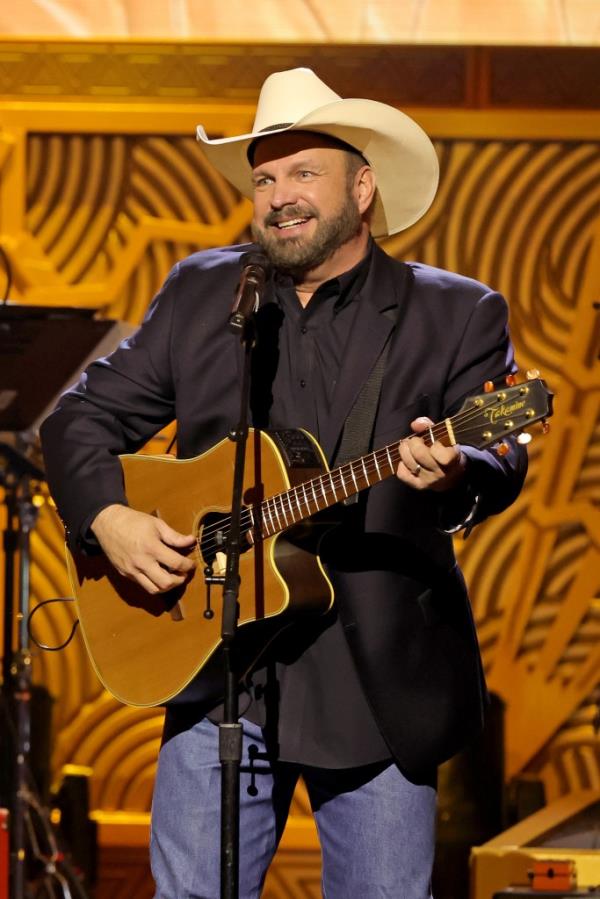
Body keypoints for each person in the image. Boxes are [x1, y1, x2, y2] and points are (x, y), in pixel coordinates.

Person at [41, 68, 527, 899]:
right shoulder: (204, 291)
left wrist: (456, 471)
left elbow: (500, 455)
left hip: (374, 682)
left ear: (362, 187)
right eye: (264, 177)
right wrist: (109, 519)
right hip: (220, 666)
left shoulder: (455, 312)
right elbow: (74, 419)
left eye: (305, 172)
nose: (279, 196)